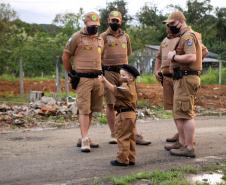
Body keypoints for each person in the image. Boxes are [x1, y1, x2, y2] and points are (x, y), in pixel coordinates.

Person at [100, 10, 151, 145]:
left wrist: (127, 75)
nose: (114, 22)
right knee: (111, 104)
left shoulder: (126, 37)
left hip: (124, 74)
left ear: (121, 21)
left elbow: (127, 53)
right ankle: (114, 134)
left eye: (117, 20)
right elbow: (98, 56)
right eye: (112, 20)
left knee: (129, 103)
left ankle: (133, 133)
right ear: (108, 20)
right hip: (109, 72)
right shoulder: (103, 37)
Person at [164, 11, 207, 157]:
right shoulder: (182, 36)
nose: (170, 27)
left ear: (180, 22)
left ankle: (188, 147)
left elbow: (191, 57)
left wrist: (174, 56)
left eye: (171, 24)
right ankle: (182, 143)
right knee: (180, 113)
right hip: (181, 79)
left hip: (186, 78)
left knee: (186, 114)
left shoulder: (188, 36)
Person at [62, 12, 104, 153]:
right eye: (92, 25)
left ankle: (84, 136)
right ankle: (85, 139)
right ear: (85, 23)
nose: (94, 28)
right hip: (83, 79)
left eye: (97, 25)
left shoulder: (100, 39)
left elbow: (100, 58)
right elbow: (66, 56)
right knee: (84, 110)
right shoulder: (76, 37)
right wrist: (71, 73)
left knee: (91, 109)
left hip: (97, 79)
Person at [98, 64, 140, 166]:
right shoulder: (132, 86)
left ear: (130, 78)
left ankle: (122, 159)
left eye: (123, 75)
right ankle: (131, 158)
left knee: (122, 137)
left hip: (124, 115)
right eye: (120, 75)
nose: (120, 77)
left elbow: (114, 89)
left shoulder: (126, 88)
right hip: (131, 115)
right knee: (131, 137)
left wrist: (104, 81)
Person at [155, 27, 180, 146]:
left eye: (170, 24)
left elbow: (202, 51)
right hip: (166, 78)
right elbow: (158, 57)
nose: (168, 27)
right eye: (167, 25)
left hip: (179, 78)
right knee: (174, 108)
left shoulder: (184, 38)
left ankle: (185, 137)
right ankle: (180, 133)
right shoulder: (164, 41)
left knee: (182, 107)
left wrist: (194, 68)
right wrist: (156, 70)